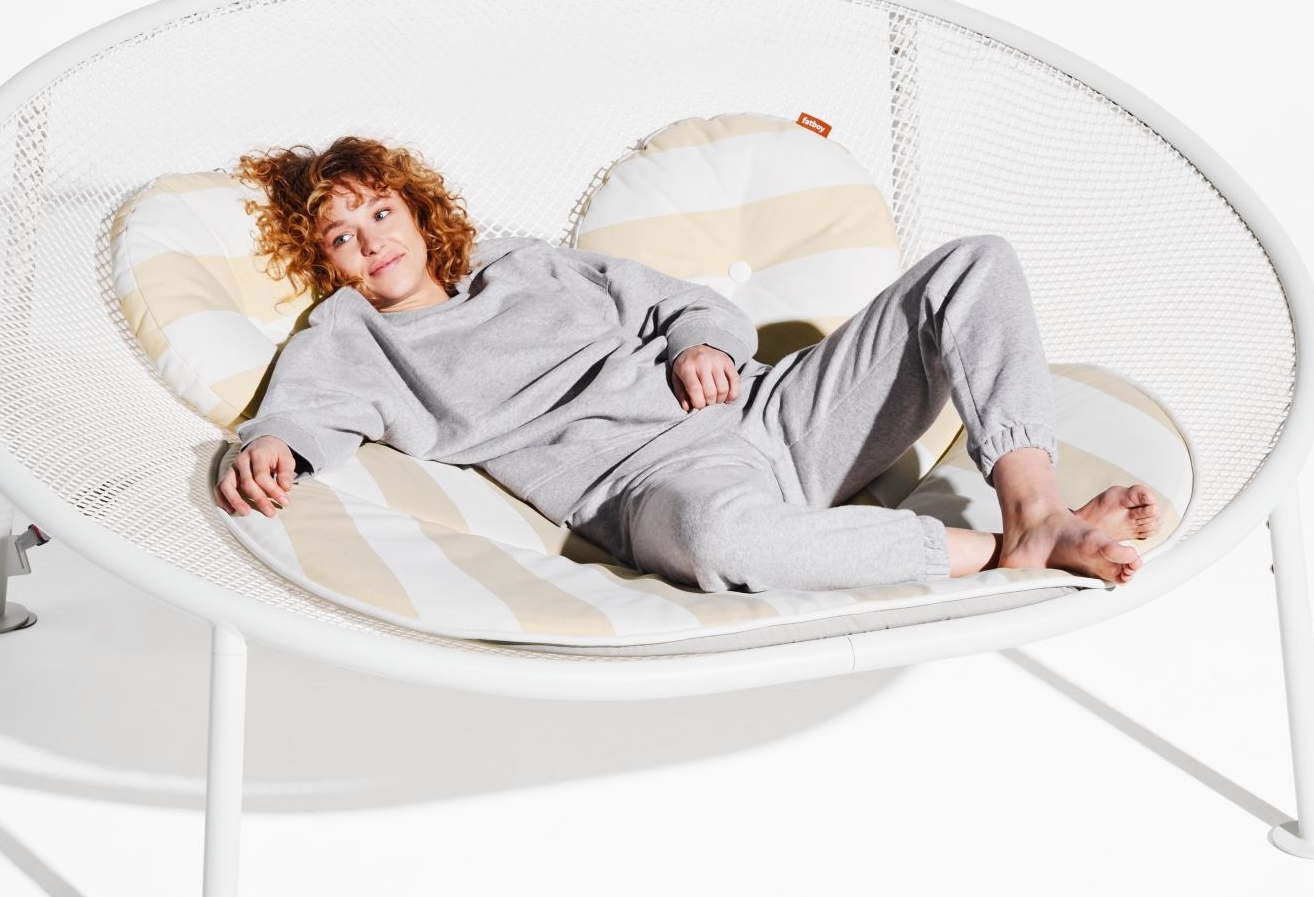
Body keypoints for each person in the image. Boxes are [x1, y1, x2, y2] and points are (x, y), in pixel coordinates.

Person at [216, 136, 1154, 592]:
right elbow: (303, 412)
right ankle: (1007, 554)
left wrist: (703, 345)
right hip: (653, 486)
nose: (371, 241)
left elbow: (688, 305)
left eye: (380, 212)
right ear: (325, 261)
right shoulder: (353, 334)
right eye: (341, 236)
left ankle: (1037, 509)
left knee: (973, 265)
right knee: (720, 544)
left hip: (775, 413)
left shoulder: (524, 262)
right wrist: (269, 447)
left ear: (417, 212)